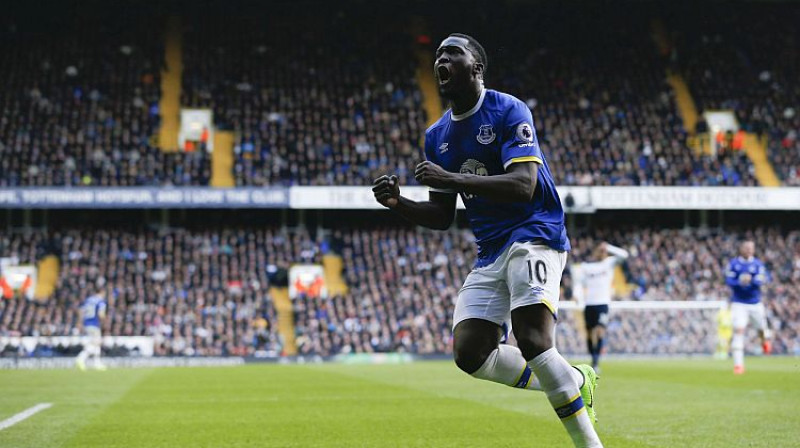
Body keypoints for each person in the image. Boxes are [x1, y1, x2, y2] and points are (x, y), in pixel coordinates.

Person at [373, 33, 602, 447]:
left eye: (452, 54)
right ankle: (573, 378)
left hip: (535, 231)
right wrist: (398, 203)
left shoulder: (508, 109)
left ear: (475, 68)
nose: (441, 61)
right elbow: (442, 216)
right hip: (491, 248)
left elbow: (524, 184)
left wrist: (454, 178)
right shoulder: (436, 135)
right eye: (438, 56)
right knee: (470, 353)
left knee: (533, 339)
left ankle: (589, 444)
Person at [573, 242, 629, 371]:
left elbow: (624, 255)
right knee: (589, 334)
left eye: (605, 251)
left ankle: (596, 362)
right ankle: (593, 357)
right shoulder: (586, 267)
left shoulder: (609, 263)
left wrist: (609, 246)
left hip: (603, 304)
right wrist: (577, 295)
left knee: (599, 332)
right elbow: (579, 284)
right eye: (600, 251)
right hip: (589, 304)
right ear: (595, 252)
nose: (603, 253)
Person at [725, 240, 771, 374]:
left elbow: (764, 278)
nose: (749, 250)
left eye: (751, 248)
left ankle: (764, 341)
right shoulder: (734, 264)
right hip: (739, 303)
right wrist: (740, 281)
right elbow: (728, 280)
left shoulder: (757, 264)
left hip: (755, 303)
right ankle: (738, 365)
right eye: (746, 248)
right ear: (741, 249)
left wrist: (751, 280)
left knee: (761, 329)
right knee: (738, 330)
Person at [76, 289, 108, 371]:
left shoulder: (88, 300)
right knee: (95, 343)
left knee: (96, 343)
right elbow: (101, 314)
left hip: (87, 324)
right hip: (94, 324)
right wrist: (105, 322)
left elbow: (81, 310)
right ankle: (81, 358)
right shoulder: (101, 301)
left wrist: (80, 322)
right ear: (102, 292)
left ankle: (96, 363)